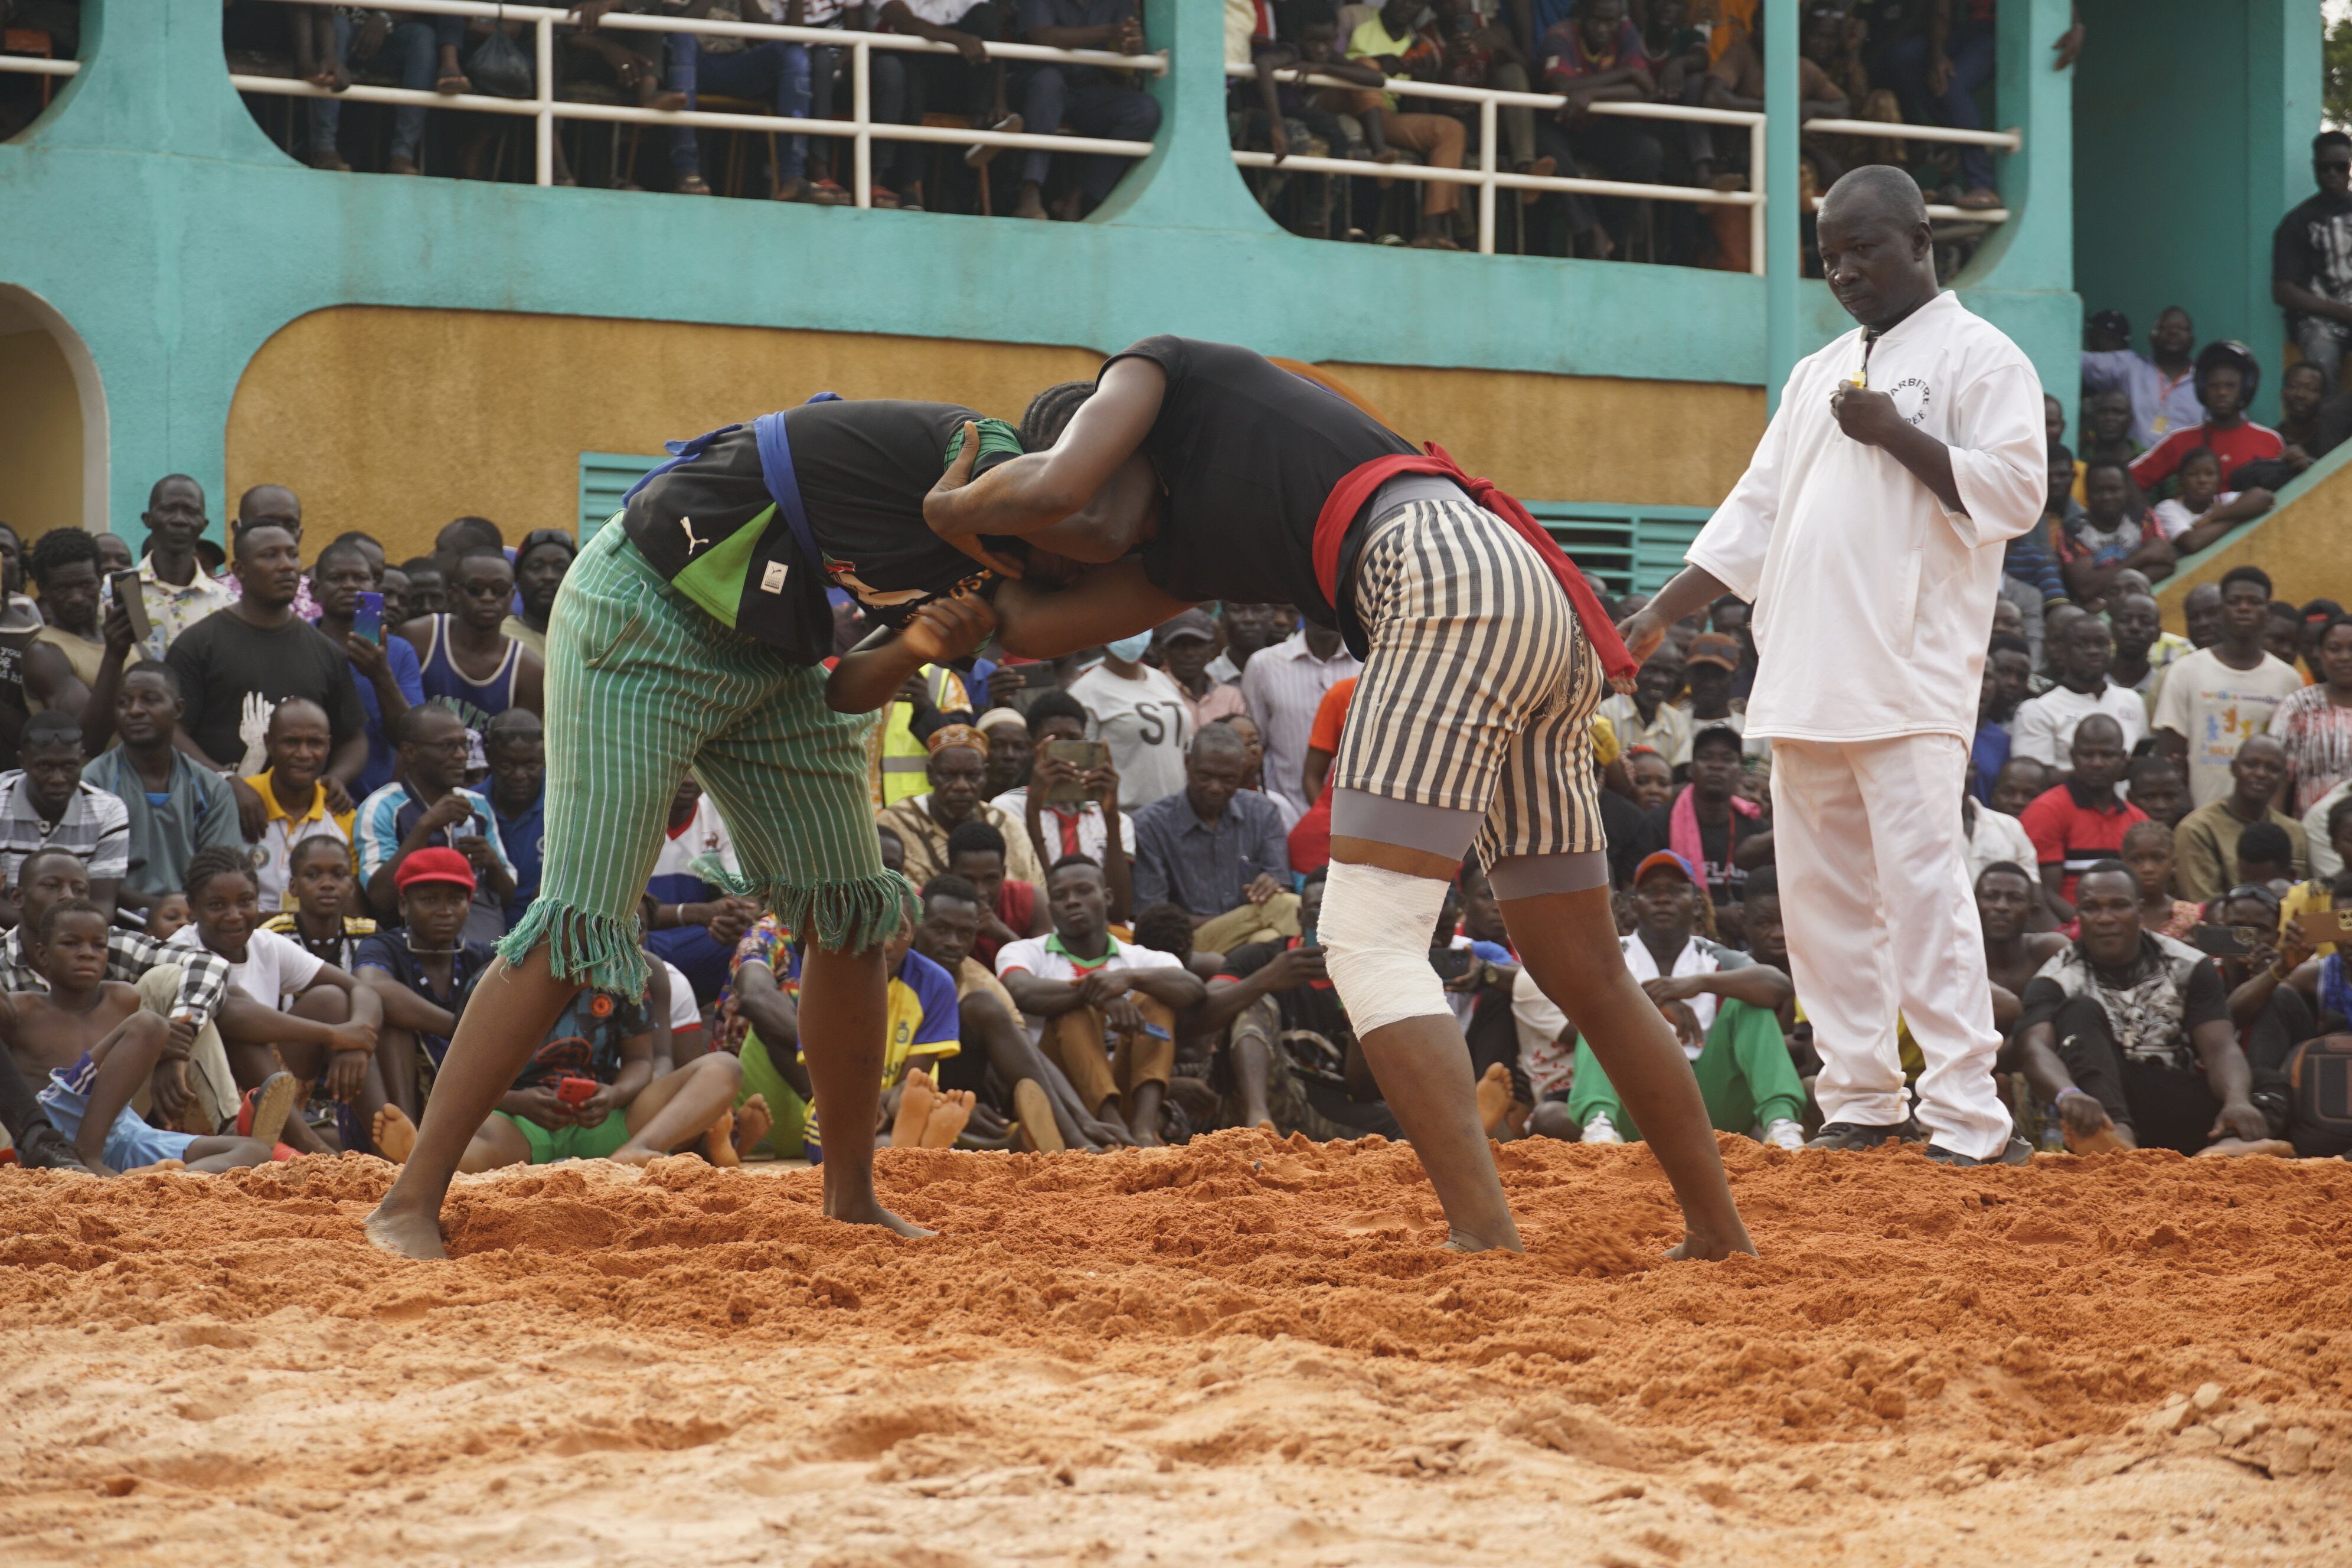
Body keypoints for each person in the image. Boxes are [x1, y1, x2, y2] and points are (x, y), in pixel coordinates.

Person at [932, 340, 1755, 1259]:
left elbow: (1053, 495)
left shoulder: (1156, 368)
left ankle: (1484, 1236)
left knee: (1367, 940)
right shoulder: (1190, 535)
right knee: (1589, 972)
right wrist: (939, 605)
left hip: (1442, 583)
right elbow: (1024, 626)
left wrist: (950, 506)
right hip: (1530, 594)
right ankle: (1719, 1234)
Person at [365, 393, 1110, 1257]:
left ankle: (850, 1193)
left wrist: (915, 649)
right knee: (579, 921)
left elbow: (848, 686)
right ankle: (408, 1200)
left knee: (848, 908)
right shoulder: (984, 459)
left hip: (775, 653)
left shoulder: (1011, 556)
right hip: (645, 615)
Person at [1622, 166, 2045, 1168]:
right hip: (1805, 670)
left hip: (1906, 674)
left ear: (1918, 237)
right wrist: (1655, 614)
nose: (1844, 272)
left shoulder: (1979, 357)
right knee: (1817, 902)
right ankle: (1858, 1096)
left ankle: (1967, 1118)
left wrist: (1895, 433)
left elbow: (2016, 493)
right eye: (1827, 258)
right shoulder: (1815, 373)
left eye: (1862, 250)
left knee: (1921, 895)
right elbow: (1753, 514)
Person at [2013, 861, 2270, 1157]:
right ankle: (2117, 1142)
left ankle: (2226, 1145)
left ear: (2140, 911)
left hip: (2172, 1098)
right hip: (2102, 1108)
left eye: (2118, 906)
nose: (2105, 918)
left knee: (2265, 1081)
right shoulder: (2056, 978)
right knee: (2079, 1010)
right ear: (2078, 915)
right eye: (2092, 908)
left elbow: (2219, 1048)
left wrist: (2236, 1100)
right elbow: (2034, 1050)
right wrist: (2067, 1094)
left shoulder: (2188, 964)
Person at [7, 899, 277, 1177]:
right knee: (150, 1023)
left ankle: (158, 1181)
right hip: (54, 1127)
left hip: (120, 1127)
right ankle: (90, 1159)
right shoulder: (20, 1009)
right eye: (71, 944)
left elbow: (131, 1062)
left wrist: (167, 1058)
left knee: (253, 1151)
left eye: (98, 945)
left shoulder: (121, 998)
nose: (87, 953)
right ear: (42, 955)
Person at [1563, 851, 1802, 1149]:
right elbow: (1576, 1011)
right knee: (1599, 1007)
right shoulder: (1614, 954)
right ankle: (1599, 1127)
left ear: (1697, 902)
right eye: (1651, 892)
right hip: (1635, 1103)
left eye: (1675, 891)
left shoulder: (1713, 956)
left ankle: (1782, 1125)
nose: (1663, 899)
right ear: (1635, 903)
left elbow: (1777, 986)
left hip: (1711, 1101)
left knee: (1748, 1001)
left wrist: (1696, 984)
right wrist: (1657, 1004)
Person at [169, 845, 384, 1155]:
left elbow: (362, 990)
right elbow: (234, 1017)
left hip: (273, 1094)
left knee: (332, 1000)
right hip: (205, 1098)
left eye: (245, 902)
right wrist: (335, 1036)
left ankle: (385, 1141)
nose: (234, 916)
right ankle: (310, 1146)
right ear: (193, 908)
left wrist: (358, 1038)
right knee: (241, 1015)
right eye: (218, 905)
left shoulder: (266, 944)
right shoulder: (179, 950)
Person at [997, 855, 1207, 1148]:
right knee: (1072, 1011)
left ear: (1107, 897)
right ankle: (1114, 1131)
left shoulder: (1139, 959)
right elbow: (1019, 990)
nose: (1072, 901)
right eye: (1060, 896)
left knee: (1156, 998)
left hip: (1126, 1089)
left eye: (1083, 891)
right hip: (1063, 1098)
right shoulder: (1023, 951)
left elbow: (1193, 989)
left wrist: (1130, 980)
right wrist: (1097, 997)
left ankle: (1145, 1132)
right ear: (1050, 909)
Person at [166, 524, 368, 788]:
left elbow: (353, 738)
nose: (287, 566)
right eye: (270, 555)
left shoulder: (325, 650)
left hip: (299, 818)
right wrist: (227, 782)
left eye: (293, 554)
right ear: (239, 570)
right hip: (214, 813)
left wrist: (335, 779)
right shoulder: (198, 644)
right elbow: (172, 731)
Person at [83, 665, 241, 921]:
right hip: (118, 924)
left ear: (179, 709)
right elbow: (85, 876)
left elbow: (222, 878)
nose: (134, 710)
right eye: (124, 702)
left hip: (195, 924)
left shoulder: (213, 790)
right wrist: (162, 908)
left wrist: (179, 912)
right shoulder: (93, 782)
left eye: (150, 699)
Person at [354, 706, 517, 943]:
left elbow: (506, 896)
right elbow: (380, 898)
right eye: (448, 746)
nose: (461, 755)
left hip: (481, 934)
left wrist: (491, 862)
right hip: (409, 939)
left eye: (464, 745)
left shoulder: (478, 806)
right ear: (410, 752)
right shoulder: (382, 807)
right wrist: (425, 827)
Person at [2152, 566, 2307, 809]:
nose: (2244, 608)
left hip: (2263, 825)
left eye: (2254, 602)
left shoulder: (2289, 680)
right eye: (2235, 601)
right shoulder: (2185, 671)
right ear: (2222, 612)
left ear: (2267, 614)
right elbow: (2171, 757)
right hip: (2201, 818)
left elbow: (2291, 765)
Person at [1130, 724, 1297, 947]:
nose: (1216, 788)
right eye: (1205, 776)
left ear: (1241, 772)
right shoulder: (1151, 825)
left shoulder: (1262, 812)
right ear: (1188, 764)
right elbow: (1155, 919)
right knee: (1284, 910)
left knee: (1267, 940)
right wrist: (1245, 917)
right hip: (1188, 942)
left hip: (1254, 934)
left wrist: (1270, 887)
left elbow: (1281, 885)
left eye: (1228, 779)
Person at [1011, 0, 1161, 222]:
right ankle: (1029, 195)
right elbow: (1042, 35)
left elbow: (1131, 45)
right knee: (1048, 81)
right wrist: (1110, 32)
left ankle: (1076, 199)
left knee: (1144, 111)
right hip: (1034, 86)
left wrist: (1133, 43)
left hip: (1083, 90)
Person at [401, 547, 544, 776]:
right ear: (455, 593)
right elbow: (398, 726)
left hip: (481, 794)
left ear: (511, 597)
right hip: (416, 781)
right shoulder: (420, 638)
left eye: (499, 591)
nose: (488, 598)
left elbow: (519, 755)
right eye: (476, 590)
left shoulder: (528, 671)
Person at [310, 537, 420, 799]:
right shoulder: (298, 642)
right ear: (315, 590)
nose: (349, 585)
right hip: (310, 798)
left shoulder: (399, 652)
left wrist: (380, 674)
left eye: (359, 578)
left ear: (375, 587)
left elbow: (411, 740)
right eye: (337, 578)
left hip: (376, 802)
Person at [991, 690, 1131, 897]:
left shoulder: (1118, 820)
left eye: (1074, 740)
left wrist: (1111, 817)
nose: (1064, 754)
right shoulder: (1005, 810)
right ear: (1033, 748)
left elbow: (1119, 909)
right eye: (1054, 741)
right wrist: (1033, 809)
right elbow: (1034, 897)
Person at [878, 723, 1047, 891]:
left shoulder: (1008, 826)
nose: (961, 786)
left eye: (972, 776)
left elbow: (1033, 892)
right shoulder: (893, 824)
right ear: (931, 775)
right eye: (948, 775)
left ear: (985, 775)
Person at [0, 708, 129, 922]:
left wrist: (57, 934)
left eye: (69, 766)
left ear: (81, 761)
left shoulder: (108, 811)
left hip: (75, 937)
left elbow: (103, 904)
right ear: (22, 762)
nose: (58, 779)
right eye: (45, 766)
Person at [641, 776, 756, 1007]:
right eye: (681, 766)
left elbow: (746, 898)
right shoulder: (630, 812)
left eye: (696, 766)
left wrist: (734, 917)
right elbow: (620, 914)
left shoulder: (720, 811)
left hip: (702, 940)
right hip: (645, 937)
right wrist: (693, 913)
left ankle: (720, 1020)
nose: (689, 778)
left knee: (750, 940)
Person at [2019, 714, 2145, 924]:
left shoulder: (2138, 820)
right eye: (2088, 755)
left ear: (2124, 760)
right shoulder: (2046, 811)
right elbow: (2043, 893)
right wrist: (2085, 930)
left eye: (2107, 755)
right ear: (2073, 757)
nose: (2097, 763)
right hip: (2065, 932)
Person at [237, 698, 357, 914]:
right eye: (291, 742)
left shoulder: (342, 814)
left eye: (315, 743)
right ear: (268, 743)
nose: (303, 754)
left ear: (328, 746)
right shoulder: (239, 801)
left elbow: (351, 908)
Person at [1236, 611, 1360, 817]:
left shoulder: (1368, 663)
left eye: (1332, 606)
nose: (1324, 614)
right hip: (1283, 815)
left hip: (1353, 821)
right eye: (1316, 605)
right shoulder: (1263, 665)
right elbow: (1258, 745)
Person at [2129, 343, 2284, 496]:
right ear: (2202, 390)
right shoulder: (2179, 441)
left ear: (2245, 389)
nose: (2222, 392)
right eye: (2214, 386)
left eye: (2230, 386)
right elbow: (2128, 481)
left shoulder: (2270, 441)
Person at [2172, 735, 2307, 903]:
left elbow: (2305, 895)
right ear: (2234, 768)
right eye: (2251, 765)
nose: (2260, 774)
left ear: (2284, 777)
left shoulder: (2294, 831)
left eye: (2273, 769)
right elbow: (2204, 905)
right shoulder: (2197, 829)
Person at [2008, 613, 2148, 770]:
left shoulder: (2132, 700)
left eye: (2101, 643)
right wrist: (2108, 772)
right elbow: (2033, 777)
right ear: (2064, 652)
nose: (2093, 651)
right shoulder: (2037, 710)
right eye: (2082, 644)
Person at [2272, 130, 2352, 390]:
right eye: (2325, 167)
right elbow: (2283, 291)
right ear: (2315, 168)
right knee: (2321, 363)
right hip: (2317, 322)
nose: (2332, 174)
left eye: (2340, 167)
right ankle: (2328, 430)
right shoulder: (2297, 222)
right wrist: (2342, 312)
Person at [1645, 723, 1758, 907]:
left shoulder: (1756, 827)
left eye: (1727, 759)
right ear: (1690, 769)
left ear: (1740, 771)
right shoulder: (1657, 823)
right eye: (1706, 757)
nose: (1716, 766)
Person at [129, 475, 237, 662]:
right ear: (148, 520)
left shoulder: (226, 604)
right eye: (168, 509)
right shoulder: (121, 590)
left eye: (190, 511)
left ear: (204, 525)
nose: (179, 520)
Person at [27, 526, 142, 697]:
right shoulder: (45, 653)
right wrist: (114, 657)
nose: (77, 598)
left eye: (86, 585)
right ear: (43, 589)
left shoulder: (122, 638)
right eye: (64, 588)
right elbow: (85, 724)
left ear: (101, 580)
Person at [2081, 306, 2203, 453]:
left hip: (2187, 471)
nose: (2173, 332)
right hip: (2135, 467)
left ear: (2192, 339)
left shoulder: (2205, 381)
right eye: (2165, 328)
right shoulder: (2129, 367)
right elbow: (2074, 360)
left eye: (2181, 328)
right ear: (2151, 336)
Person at [2054, 459, 2170, 608]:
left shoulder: (2143, 518)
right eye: (2099, 491)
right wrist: (2142, 556)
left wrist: (2105, 598)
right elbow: (2086, 588)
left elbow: (2167, 563)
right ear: (2088, 493)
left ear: (2126, 491)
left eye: (2113, 490)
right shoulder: (2073, 532)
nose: (2107, 497)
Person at [2267, 615, 2352, 816]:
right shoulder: (2297, 707)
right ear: (2320, 655)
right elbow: (2277, 781)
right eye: (2334, 649)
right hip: (2310, 836)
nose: (2345, 657)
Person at [2148, 447, 2273, 558]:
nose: (2202, 480)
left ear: (2219, 479)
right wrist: (2241, 515)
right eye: (2193, 475)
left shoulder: (2224, 500)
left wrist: (2214, 517)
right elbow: (2193, 543)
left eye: (2210, 474)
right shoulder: (2168, 508)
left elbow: (2264, 497)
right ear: (2181, 481)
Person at [484, 710, 545, 929]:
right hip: (480, 937)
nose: (519, 775)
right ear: (489, 756)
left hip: (547, 935)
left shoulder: (568, 809)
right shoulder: (468, 806)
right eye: (507, 765)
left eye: (531, 765)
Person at [1975, 861, 2067, 1004]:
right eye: (1991, 896)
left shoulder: (2051, 951)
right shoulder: (1956, 956)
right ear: (1972, 906)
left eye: (2015, 898)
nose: (2002, 906)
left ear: (2032, 912)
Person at [1599, 648, 1694, 770]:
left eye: (1669, 673)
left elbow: (1681, 776)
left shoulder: (1677, 721)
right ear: (1631, 671)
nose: (1660, 680)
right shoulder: (1606, 713)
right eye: (1650, 670)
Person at [1156, 608, 1247, 730]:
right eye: (1179, 645)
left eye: (1197, 644)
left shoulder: (1231, 697)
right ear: (1163, 652)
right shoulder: (1156, 695)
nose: (1189, 653)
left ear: (1211, 650)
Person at [502, 530, 573, 661]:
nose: (549, 576)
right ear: (517, 578)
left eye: (561, 568)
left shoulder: (590, 641)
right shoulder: (499, 639)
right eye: (536, 567)